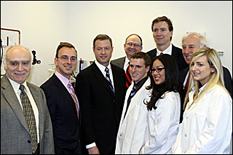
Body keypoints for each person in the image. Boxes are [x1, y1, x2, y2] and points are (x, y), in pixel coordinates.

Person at [172, 47, 232, 153]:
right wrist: (177, 150)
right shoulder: (193, 95)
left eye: (200, 64)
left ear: (213, 68)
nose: (194, 68)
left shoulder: (219, 95)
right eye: (193, 64)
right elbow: (183, 129)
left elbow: (213, 136)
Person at [75, 34, 126, 154]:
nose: (103, 52)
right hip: (98, 143)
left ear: (112, 49)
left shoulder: (120, 73)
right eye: (99, 49)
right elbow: (85, 113)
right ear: (93, 50)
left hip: (119, 140)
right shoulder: (85, 77)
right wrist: (90, 144)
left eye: (106, 48)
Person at [1, 45, 54, 154]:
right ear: (5, 65)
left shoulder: (38, 92)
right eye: (14, 63)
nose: (20, 69)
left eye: (25, 63)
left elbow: (47, 131)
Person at [179, 32, 232, 122]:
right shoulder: (181, 74)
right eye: (184, 47)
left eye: (191, 47)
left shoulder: (219, 93)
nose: (186, 51)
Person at [40, 42, 81, 154]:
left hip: (76, 148)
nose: (69, 62)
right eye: (64, 58)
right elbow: (47, 129)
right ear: (55, 61)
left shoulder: (73, 86)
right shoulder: (47, 90)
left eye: (73, 58)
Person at [139, 54, 181, 154]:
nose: (155, 73)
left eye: (159, 69)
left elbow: (160, 135)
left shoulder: (169, 98)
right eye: (153, 70)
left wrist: (144, 150)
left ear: (169, 70)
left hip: (160, 151)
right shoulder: (163, 94)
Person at [115, 52, 152, 154]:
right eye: (131, 66)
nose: (134, 70)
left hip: (139, 146)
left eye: (138, 67)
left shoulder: (150, 92)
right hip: (126, 143)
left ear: (147, 68)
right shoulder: (131, 88)